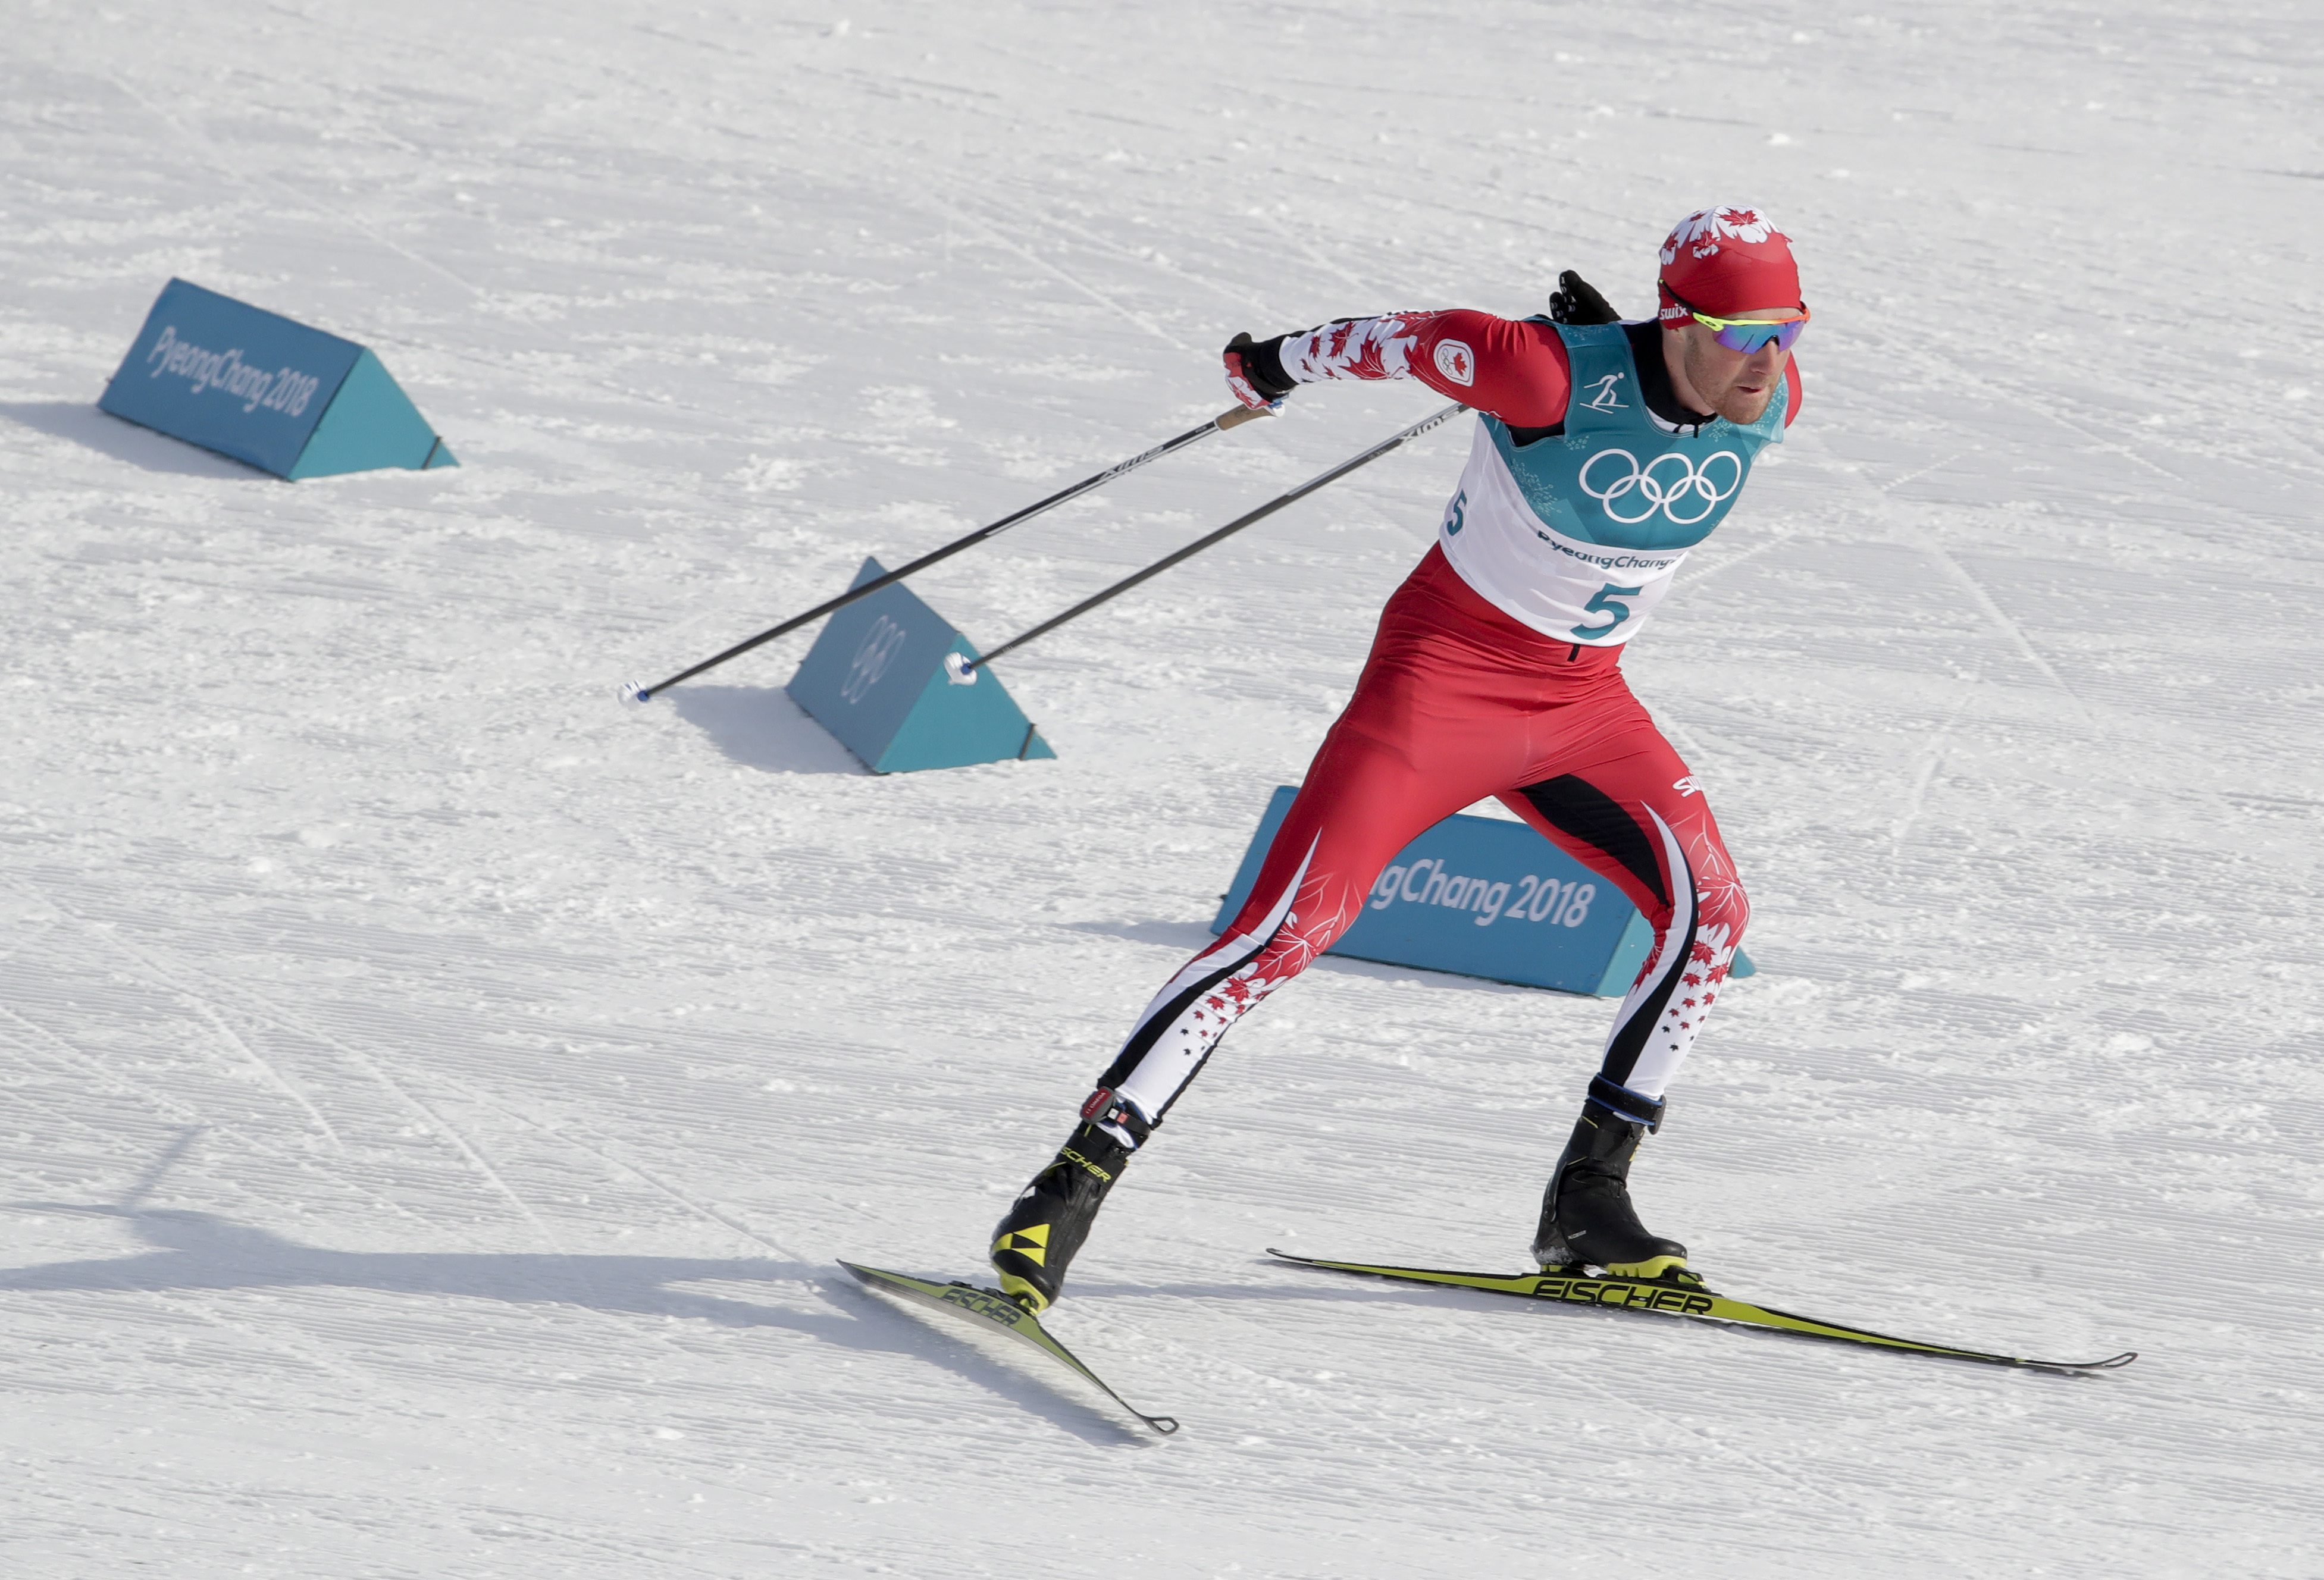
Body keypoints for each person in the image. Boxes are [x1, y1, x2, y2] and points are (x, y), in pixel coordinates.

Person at [989, 205, 1811, 1312]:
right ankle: (1068, 1190)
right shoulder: (1531, 372)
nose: (1766, 362)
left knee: (1711, 915)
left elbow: (1664, 406)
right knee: (1286, 934)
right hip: (1438, 692)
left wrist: (1648, 358)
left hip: (1584, 707)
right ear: (1679, 318)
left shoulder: (1769, 396)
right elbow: (1399, 337)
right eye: (1740, 330)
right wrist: (1267, 363)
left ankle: (1588, 1203)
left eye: (1788, 331)